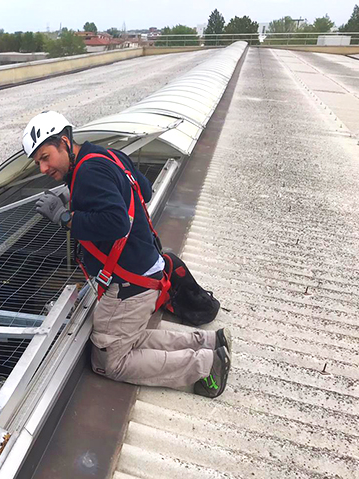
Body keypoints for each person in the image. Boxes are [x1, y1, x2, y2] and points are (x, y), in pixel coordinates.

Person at [23, 111, 231, 397]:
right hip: (145, 269)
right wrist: (80, 197)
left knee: (110, 361)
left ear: (63, 142)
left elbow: (116, 223)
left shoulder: (87, 173)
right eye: (38, 163)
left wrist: (65, 217)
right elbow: (142, 190)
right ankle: (208, 341)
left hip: (128, 286)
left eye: (45, 157)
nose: (43, 168)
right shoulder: (106, 155)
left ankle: (205, 366)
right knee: (127, 339)